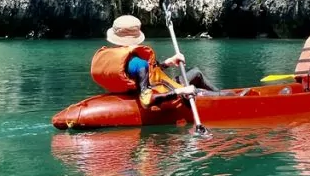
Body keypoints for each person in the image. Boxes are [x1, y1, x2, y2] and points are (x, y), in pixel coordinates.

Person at [90, 15, 219, 109]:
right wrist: (181, 91)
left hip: (151, 86)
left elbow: (142, 74)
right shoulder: (139, 64)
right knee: (196, 88)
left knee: (195, 72)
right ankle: (227, 96)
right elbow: (146, 101)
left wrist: (167, 63)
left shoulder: (113, 56)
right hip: (157, 93)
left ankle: (224, 94)